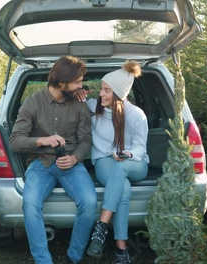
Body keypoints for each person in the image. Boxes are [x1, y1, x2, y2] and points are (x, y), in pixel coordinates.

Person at [9, 56, 97, 264]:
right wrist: (42, 140)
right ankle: (43, 261)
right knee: (30, 203)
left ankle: (74, 257)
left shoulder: (79, 104)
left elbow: (86, 140)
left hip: (71, 165)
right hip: (41, 163)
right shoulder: (32, 102)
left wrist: (75, 158)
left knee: (90, 202)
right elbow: (14, 141)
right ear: (60, 83)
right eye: (77, 82)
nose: (80, 85)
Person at [84, 61, 149, 264]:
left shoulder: (136, 115)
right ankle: (122, 251)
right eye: (101, 89)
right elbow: (73, 101)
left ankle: (101, 226)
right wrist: (79, 94)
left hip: (135, 163)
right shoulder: (95, 108)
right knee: (124, 189)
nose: (100, 94)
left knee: (121, 169)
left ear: (119, 94)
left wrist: (126, 154)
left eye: (106, 90)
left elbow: (140, 148)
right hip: (104, 160)